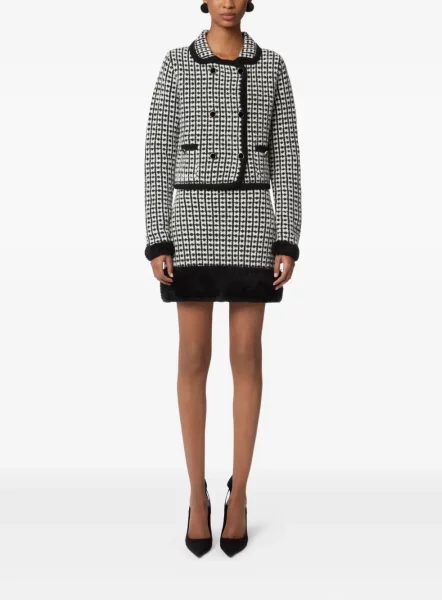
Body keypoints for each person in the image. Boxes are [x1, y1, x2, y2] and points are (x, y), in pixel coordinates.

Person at [144, 0, 302, 557]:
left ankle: (240, 495)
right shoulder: (176, 63)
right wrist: (157, 237)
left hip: (253, 222)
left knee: (246, 358)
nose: (229, 2)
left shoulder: (272, 65)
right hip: (190, 223)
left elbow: (287, 156)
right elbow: (158, 153)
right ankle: (196, 495)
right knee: (192, 359)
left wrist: (287, 237)